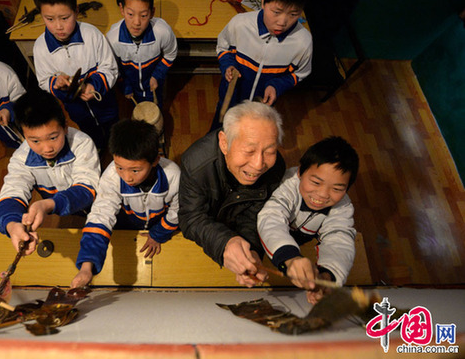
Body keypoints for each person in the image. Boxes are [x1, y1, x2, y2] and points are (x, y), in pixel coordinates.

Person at [179, 101, 286, 287]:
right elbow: (191, 217)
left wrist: (251, 252)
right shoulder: (196, 164)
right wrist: (224, 243)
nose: (259, 164)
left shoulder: (275, 168)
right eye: (249, 151)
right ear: (224, 142)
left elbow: (256, 214)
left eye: (270, 151)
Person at [71, 119, 180, 287]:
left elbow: (177, 211)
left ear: (155, 161)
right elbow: (101, 215)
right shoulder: (111, 178)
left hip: (160, 222)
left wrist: (158, 234)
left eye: (135, 170)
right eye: (119, 167)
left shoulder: (173, 175)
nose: (127, 177)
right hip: (127, 221)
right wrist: (87, 267)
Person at [0, 90, 100, 255]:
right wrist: (12, 225)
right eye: (35, 141)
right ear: (24, 134)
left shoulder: (82, 144)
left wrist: (49, 204)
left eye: (53, 137)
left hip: (97, 203)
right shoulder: (21, 158)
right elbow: (11, 192)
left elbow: (86, 189)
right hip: (66, 207)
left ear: (65, 127)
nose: (47, 148)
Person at [257, 136, 359, 304]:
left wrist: (327, 277)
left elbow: (339, 240)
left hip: (301, 242)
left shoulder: (343, 207)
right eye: (316, 182)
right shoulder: (287, 185)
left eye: (337, 188)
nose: (323, 194)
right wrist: (291, 258)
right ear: (299, 173)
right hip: (273, 242)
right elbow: (270, 219)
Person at [211, 0, 315, 130]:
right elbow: (223, 47)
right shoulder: (240, 24)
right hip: (229, 100)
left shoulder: (303, 42)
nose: (282, 21)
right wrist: (228, 66)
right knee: (219, 131)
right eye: (276, 12)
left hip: (261, 110)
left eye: (293, 14)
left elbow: (299, 74)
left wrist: (276, 85)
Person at [32, 0, 119, 150]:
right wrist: (55, 84)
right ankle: (99, 149)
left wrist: (94, 86)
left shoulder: (92, 34)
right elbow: (43, 81)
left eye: (65, 18)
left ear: (76, 11)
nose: (58, 26)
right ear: (41, 15)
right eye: (49, 19)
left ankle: (114, 147)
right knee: (91, 134)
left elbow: (110, 68)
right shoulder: (40, 47)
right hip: (77, 110)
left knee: (113, 130)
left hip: (105, 104)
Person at [106, 0, 178, 108]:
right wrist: (125, 84)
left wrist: (157, 75)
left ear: (152, 12)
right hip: (130, 88)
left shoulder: (162, 31)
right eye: (130, 14)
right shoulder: (112, 39)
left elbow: (170, 55)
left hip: (154, 84)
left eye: (143, 15)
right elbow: (112, 66)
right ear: (122, 9)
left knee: (157, 107)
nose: (137, 22)